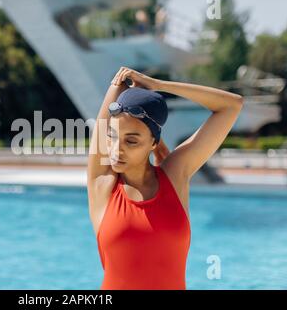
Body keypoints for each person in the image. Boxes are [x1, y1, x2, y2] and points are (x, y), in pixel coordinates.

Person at [87, 67, 244, 290]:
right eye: (112, 137)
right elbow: (109, 106)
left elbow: (231, 105)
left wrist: (159, 85)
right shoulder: (102, 184)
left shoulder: (174, 176)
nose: (116, 150)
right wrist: (118, 83)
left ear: (153, 143)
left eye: (131, 141)